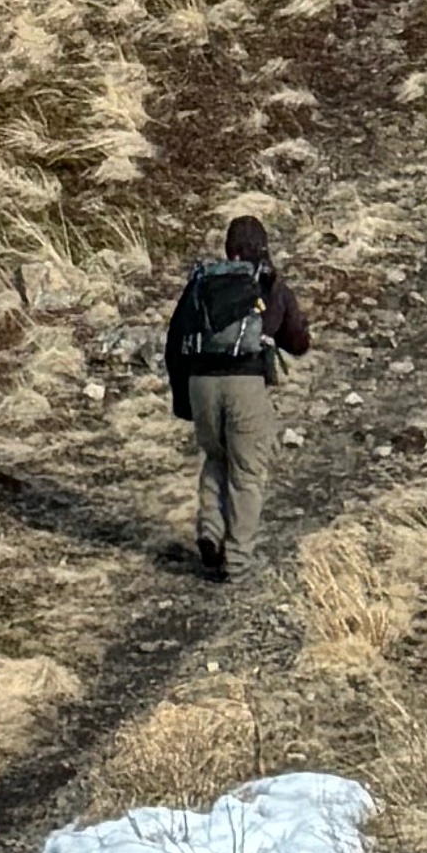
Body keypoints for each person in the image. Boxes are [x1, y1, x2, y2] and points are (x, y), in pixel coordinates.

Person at [163, 209, 311, 579]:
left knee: (216, 456)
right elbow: (298, 342)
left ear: (228, 249)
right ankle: (239, 560)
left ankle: (211, 533)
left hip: (201, 385)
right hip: (245, 385)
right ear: (262, 247)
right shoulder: (269, 284)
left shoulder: (201, 283)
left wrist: (182, 398)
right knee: (247, 472)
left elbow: (174, 340)